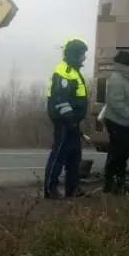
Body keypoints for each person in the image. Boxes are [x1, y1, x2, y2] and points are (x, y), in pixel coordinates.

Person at [44, 38, 89, 200]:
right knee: (59, 155)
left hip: (72, 122)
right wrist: (70, 121)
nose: (84, 58)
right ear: (75, 54)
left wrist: (76, 123)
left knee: (74, 156)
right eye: (82, 54)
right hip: (64, 122)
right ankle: (51, 189)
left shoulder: (73, 70)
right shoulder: (64, 71)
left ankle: (73, 189)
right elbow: (60, 100)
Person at [103, 50, 129, 194]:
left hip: (124, 122)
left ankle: (119, 181)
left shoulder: (125, 78)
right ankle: (110, 183)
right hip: (117, 122)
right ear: (126, 64)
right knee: (117, 152)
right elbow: (115, 102)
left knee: (123, 152)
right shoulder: (117, 78)